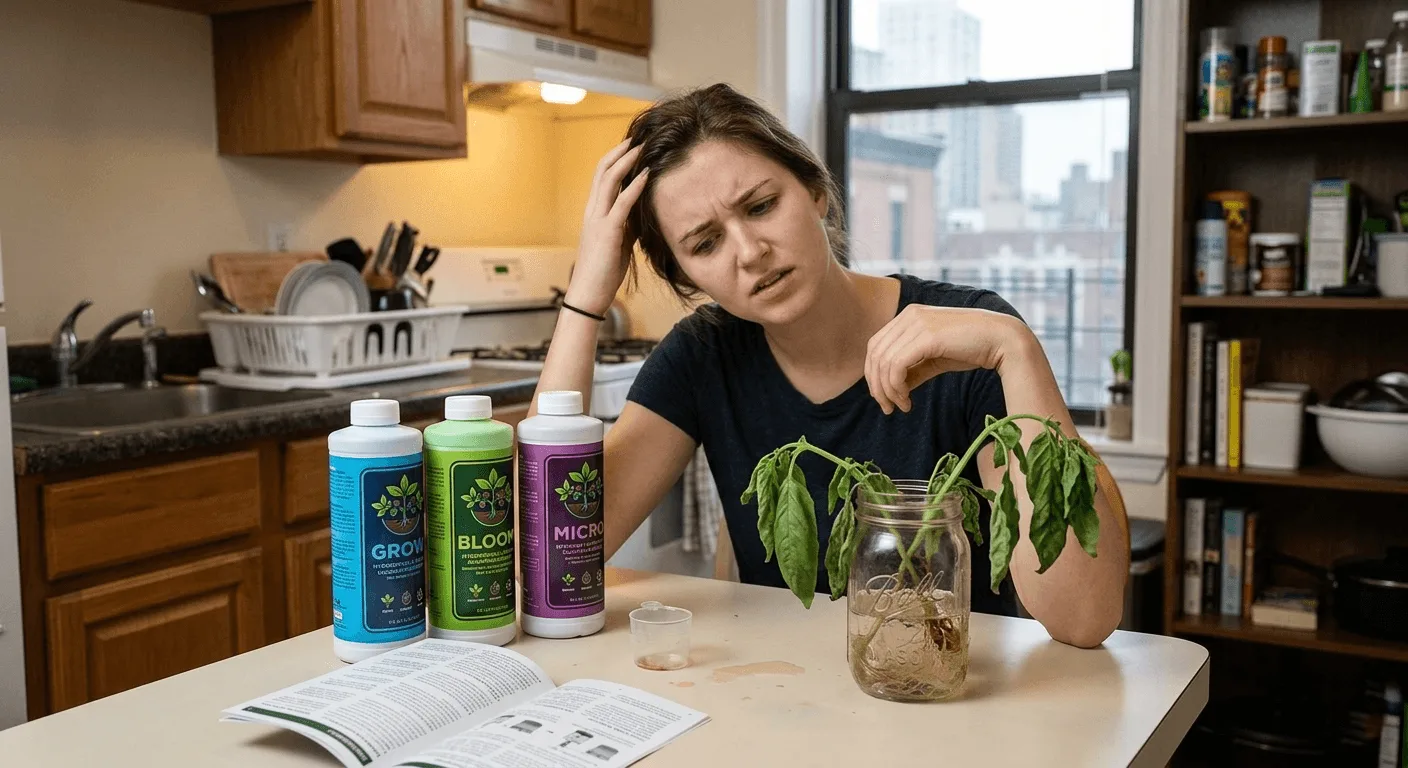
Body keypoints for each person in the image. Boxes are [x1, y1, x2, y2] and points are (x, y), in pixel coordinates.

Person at [531, 83, 1129, 648]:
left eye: (762, 206)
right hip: (787, 700)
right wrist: (588, 291)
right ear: (686, 274)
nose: (750, 252)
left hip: (950, 700)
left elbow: (1084, 617)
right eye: (705, 243)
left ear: (815, 190)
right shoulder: (703, 355)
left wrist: (1016, 348)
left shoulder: (972, 337)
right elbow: (551, 559)